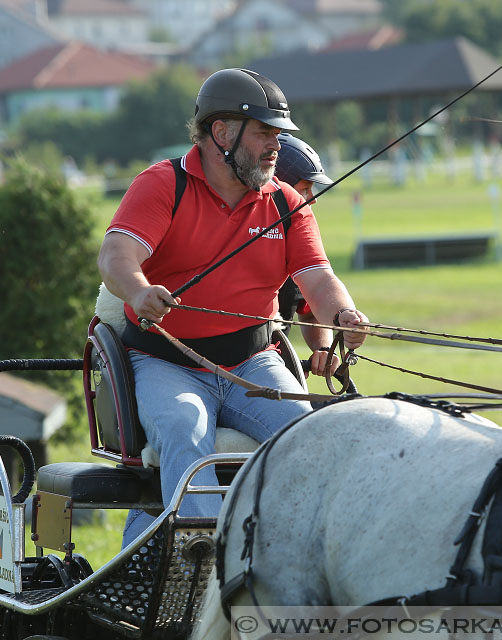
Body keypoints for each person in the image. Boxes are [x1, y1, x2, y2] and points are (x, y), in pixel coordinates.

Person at [97, 68, 368, 547]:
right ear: (221, 132)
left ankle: (299, 555)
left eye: (278, 134)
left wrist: (343, 314)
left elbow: (319, 278)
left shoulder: (285, 202)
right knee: (184, 428)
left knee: (309, 436)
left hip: (254, 363)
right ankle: (201, 564)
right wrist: (139, 292)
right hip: (165, 361)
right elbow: (116, 257)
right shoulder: (162, 185)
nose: (276, 147)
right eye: (264, 132)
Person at [273, 132, 340, 378]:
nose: (311, 200)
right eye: (304, 189)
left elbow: (310, 310)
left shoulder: (298, 244)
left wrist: (322, 348)